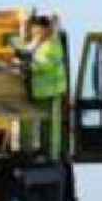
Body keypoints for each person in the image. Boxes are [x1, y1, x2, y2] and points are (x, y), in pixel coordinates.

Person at [15, 15, 67, 161]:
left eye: (37, 30)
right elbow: (27, 52)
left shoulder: (52, 46)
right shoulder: (38, 43)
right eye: (34, 30)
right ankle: (30, 151)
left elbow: (41, 65)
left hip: (50, 93)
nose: (35, 33)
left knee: (49, 127)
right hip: (39, 91)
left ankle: (50, 155)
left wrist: (24, 64)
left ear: (45, 30)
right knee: (32, 122)